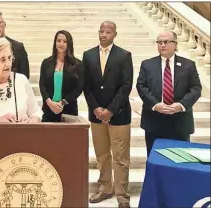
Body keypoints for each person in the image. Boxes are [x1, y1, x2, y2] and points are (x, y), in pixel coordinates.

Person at [83, 21, 133, 208]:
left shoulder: (124, 55)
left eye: (108, 31)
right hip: (96, 115)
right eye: (101, 31)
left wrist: (111, 109)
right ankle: (105, 188)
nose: (104, 34)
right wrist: (96, 108)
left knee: (120, 157)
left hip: (119, 115)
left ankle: (122, 195)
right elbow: (86, 86)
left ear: (115, 34)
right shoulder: (88, 55)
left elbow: (126, 85)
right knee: (102, 154)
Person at [136, 31, 202, 156]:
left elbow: (196, 88)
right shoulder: (147, 64)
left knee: (180, 162)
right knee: (155, 160)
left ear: (175, 44)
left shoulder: (188, 65)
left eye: (166, 42)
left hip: (180, 122)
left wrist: (181, 105)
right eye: (159, 42)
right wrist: (155, 105)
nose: (162, 45)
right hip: (154, 121)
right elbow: (141, 86)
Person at [39, 30, 84, 122]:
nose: (61, 44)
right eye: (59, 40)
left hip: (68, 109)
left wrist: (63, 103)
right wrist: (50, 103)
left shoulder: (77, 64)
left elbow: (79, 88)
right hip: (49, 108)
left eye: (65, 41)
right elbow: (42, 85)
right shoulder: (46, 63)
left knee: (68, 136)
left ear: (69, 44)